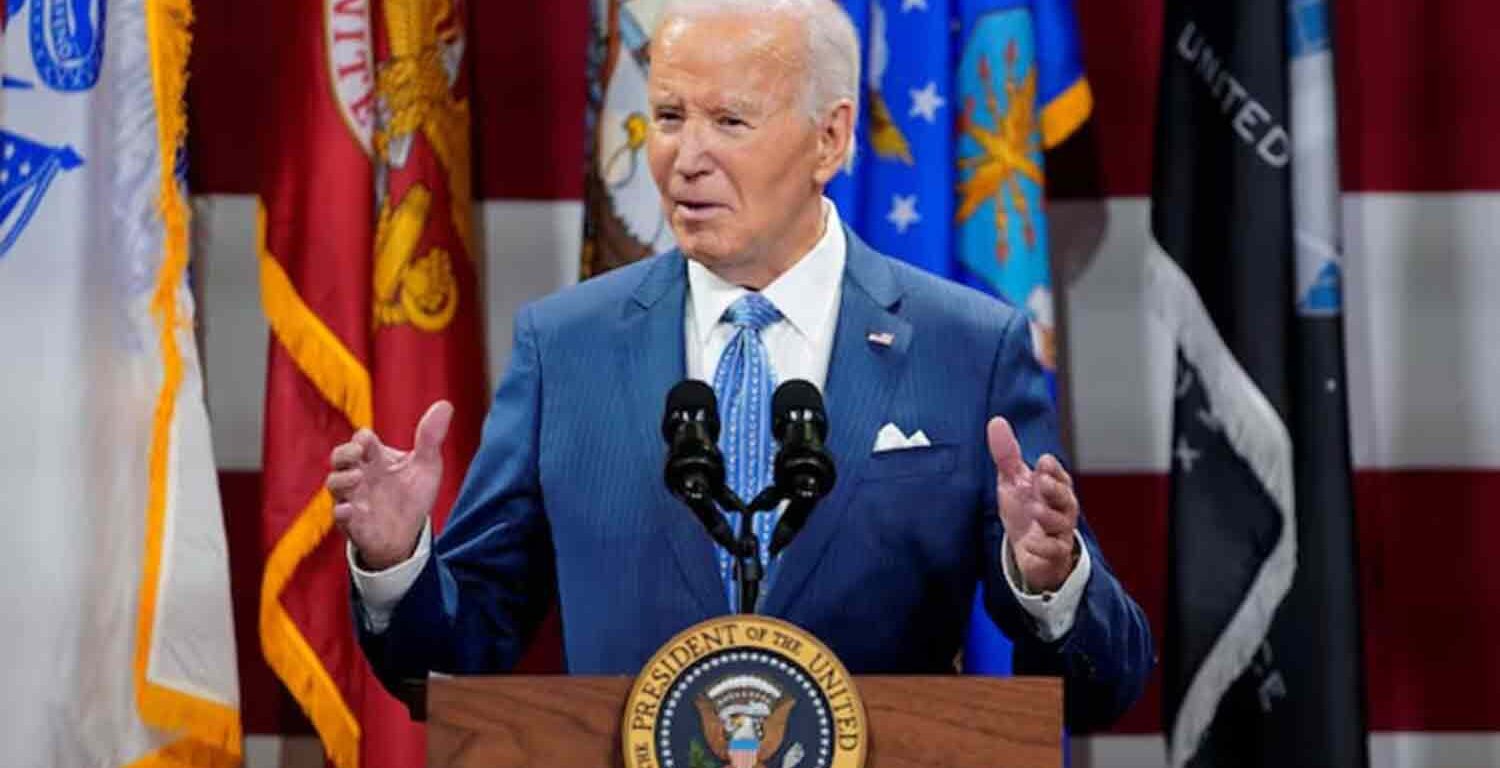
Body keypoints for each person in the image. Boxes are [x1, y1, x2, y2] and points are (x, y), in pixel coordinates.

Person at [326, 0, 1151, 730]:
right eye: (670, 116)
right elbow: (456, 657)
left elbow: (1102, 687)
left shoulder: (968, 347)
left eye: (729, 121)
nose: (684, 157)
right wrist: (400, 563)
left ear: (828, 139)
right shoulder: (565, 347)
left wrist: (1051, 578)